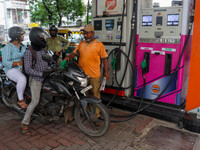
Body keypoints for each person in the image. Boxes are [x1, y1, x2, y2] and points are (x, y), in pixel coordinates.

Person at [64, 24, 109, 100]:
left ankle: (96, 112)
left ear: (93, 33)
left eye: (87, 33)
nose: (85, 35)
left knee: (95, 97)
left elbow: (104, 59)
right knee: (84, 96)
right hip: (82, 76)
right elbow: (74, 53)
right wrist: (68, 57)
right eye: (84, 33)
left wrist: (106, 72)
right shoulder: (81, 43)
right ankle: (86, 112)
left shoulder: (99, 45)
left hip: (94, 77)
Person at [20, 27, 50, 136]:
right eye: (42, 39)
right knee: (35, 101)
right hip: (36, 79)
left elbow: (47, 60)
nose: (44, 41)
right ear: (36, 38)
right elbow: (28, 69)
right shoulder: (29, 52)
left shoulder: (42, 49)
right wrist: (41, 74)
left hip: (47, 76)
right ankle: (24, 122)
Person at [2, 26, 28, 109]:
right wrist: (17, 63)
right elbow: (5, 62)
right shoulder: (7, 48)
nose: (23, 36)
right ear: (16, 36)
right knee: (22, 79)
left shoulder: (23, 46)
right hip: (11, 70)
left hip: (23, 68)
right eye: (22, 35)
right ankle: (21, 100)